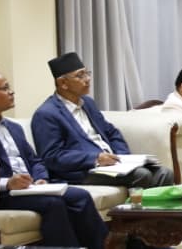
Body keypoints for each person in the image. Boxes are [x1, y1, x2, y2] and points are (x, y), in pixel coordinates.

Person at [0, 68, 132, 249]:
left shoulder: (13, 127)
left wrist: (40, 178)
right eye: (5, 88)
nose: (11, 92)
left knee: (79, 196)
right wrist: (8, 183)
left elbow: (35, 160)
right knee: (54, 204)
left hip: (30, 188)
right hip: (0, 195)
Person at [31, 51, 173, 189]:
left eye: (87, 73)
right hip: (81, 171)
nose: (87, 79)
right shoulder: (46, 114)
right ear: (63, 83)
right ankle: (137, 206)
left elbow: (111, 132)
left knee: (165, 173)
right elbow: (52, 156)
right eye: (80, 75)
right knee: (142, 175)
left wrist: (122, 157)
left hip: (112, 165)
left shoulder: (88, 103)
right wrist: (95, 159)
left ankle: (154, 206)